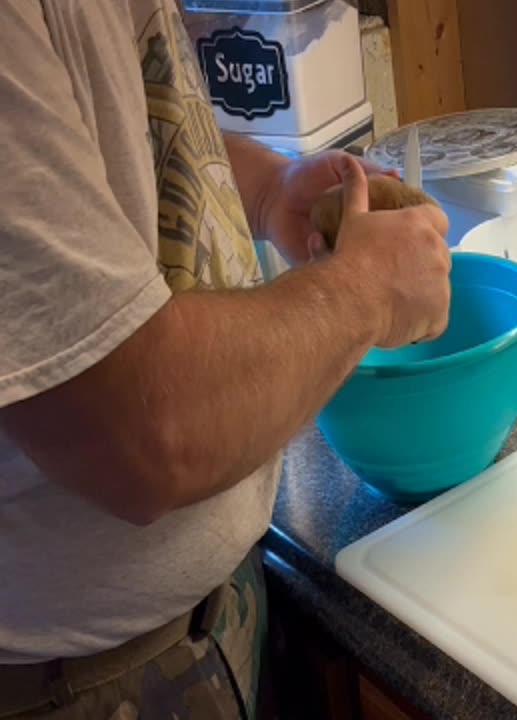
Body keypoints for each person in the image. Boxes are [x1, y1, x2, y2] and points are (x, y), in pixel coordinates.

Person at [0, 1, 451, 717]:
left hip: (210, 614)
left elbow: (124, 128)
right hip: (82, 685)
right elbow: (138, 432)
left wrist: (269, 187)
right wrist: (363, 290)